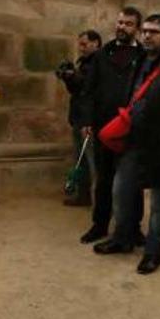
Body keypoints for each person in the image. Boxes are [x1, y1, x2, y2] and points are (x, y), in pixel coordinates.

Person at [91, 14, 160, 275]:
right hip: (134, 140)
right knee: (120, 190)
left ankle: (153, 250)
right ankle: (122, 238)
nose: (147, 35)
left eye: (154, 32)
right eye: (145, 31)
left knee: (159, 201)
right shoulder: (137, 63)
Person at [78, 8, 145, 245]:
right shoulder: (101, 54)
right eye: (119, 22)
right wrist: (86, 120)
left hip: (131, 127)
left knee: (132, 180)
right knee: (104, 178)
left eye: (128, 24)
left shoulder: (144, 56)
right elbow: (88, 91)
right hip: (104, 125)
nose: (122, 27)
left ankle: (133, 227)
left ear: (137, 28)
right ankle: (100, 224)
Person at [57, 29, 101, 207]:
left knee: (93, 162)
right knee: (80, 159)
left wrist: (73, 77)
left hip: (89, 120)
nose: (81, 48)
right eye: (80, 44)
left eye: (84, 44)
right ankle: (83, 196)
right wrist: (68, 78)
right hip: (78, 117)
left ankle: (100, 201)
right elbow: (77, 90)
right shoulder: (84, 63)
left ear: (96, 43)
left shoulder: (100, 63)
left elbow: (89, 89)